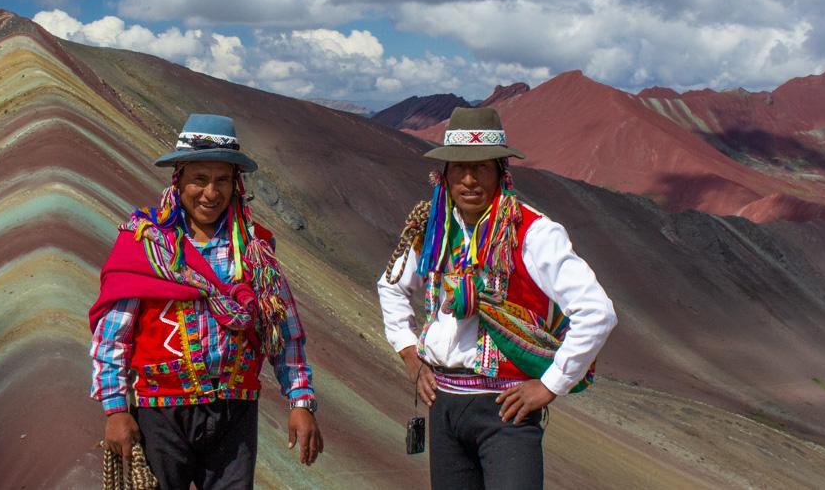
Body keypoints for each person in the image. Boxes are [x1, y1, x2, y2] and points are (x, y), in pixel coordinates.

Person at [377, 106, 617, 489]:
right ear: (444, 175)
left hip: (506, 413)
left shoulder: (534, 233)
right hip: (443, 405)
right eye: (459, 168)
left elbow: (596, 311)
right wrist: (409, 355)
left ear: (502, 172)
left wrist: (551, 384)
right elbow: (391, 286)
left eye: (482, 168)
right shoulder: (432, 230)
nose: (469, 180)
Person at [90, 113, 322, 489]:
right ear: (178, 179)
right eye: (199, 179)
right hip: (161, 414)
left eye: (222, 180)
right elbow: (112, 337)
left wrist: (300, 400)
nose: (210, 193)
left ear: (236, 184)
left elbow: (282, 331)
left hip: (235, 412)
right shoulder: (146, 245)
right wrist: (116, 410)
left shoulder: (255, 250)